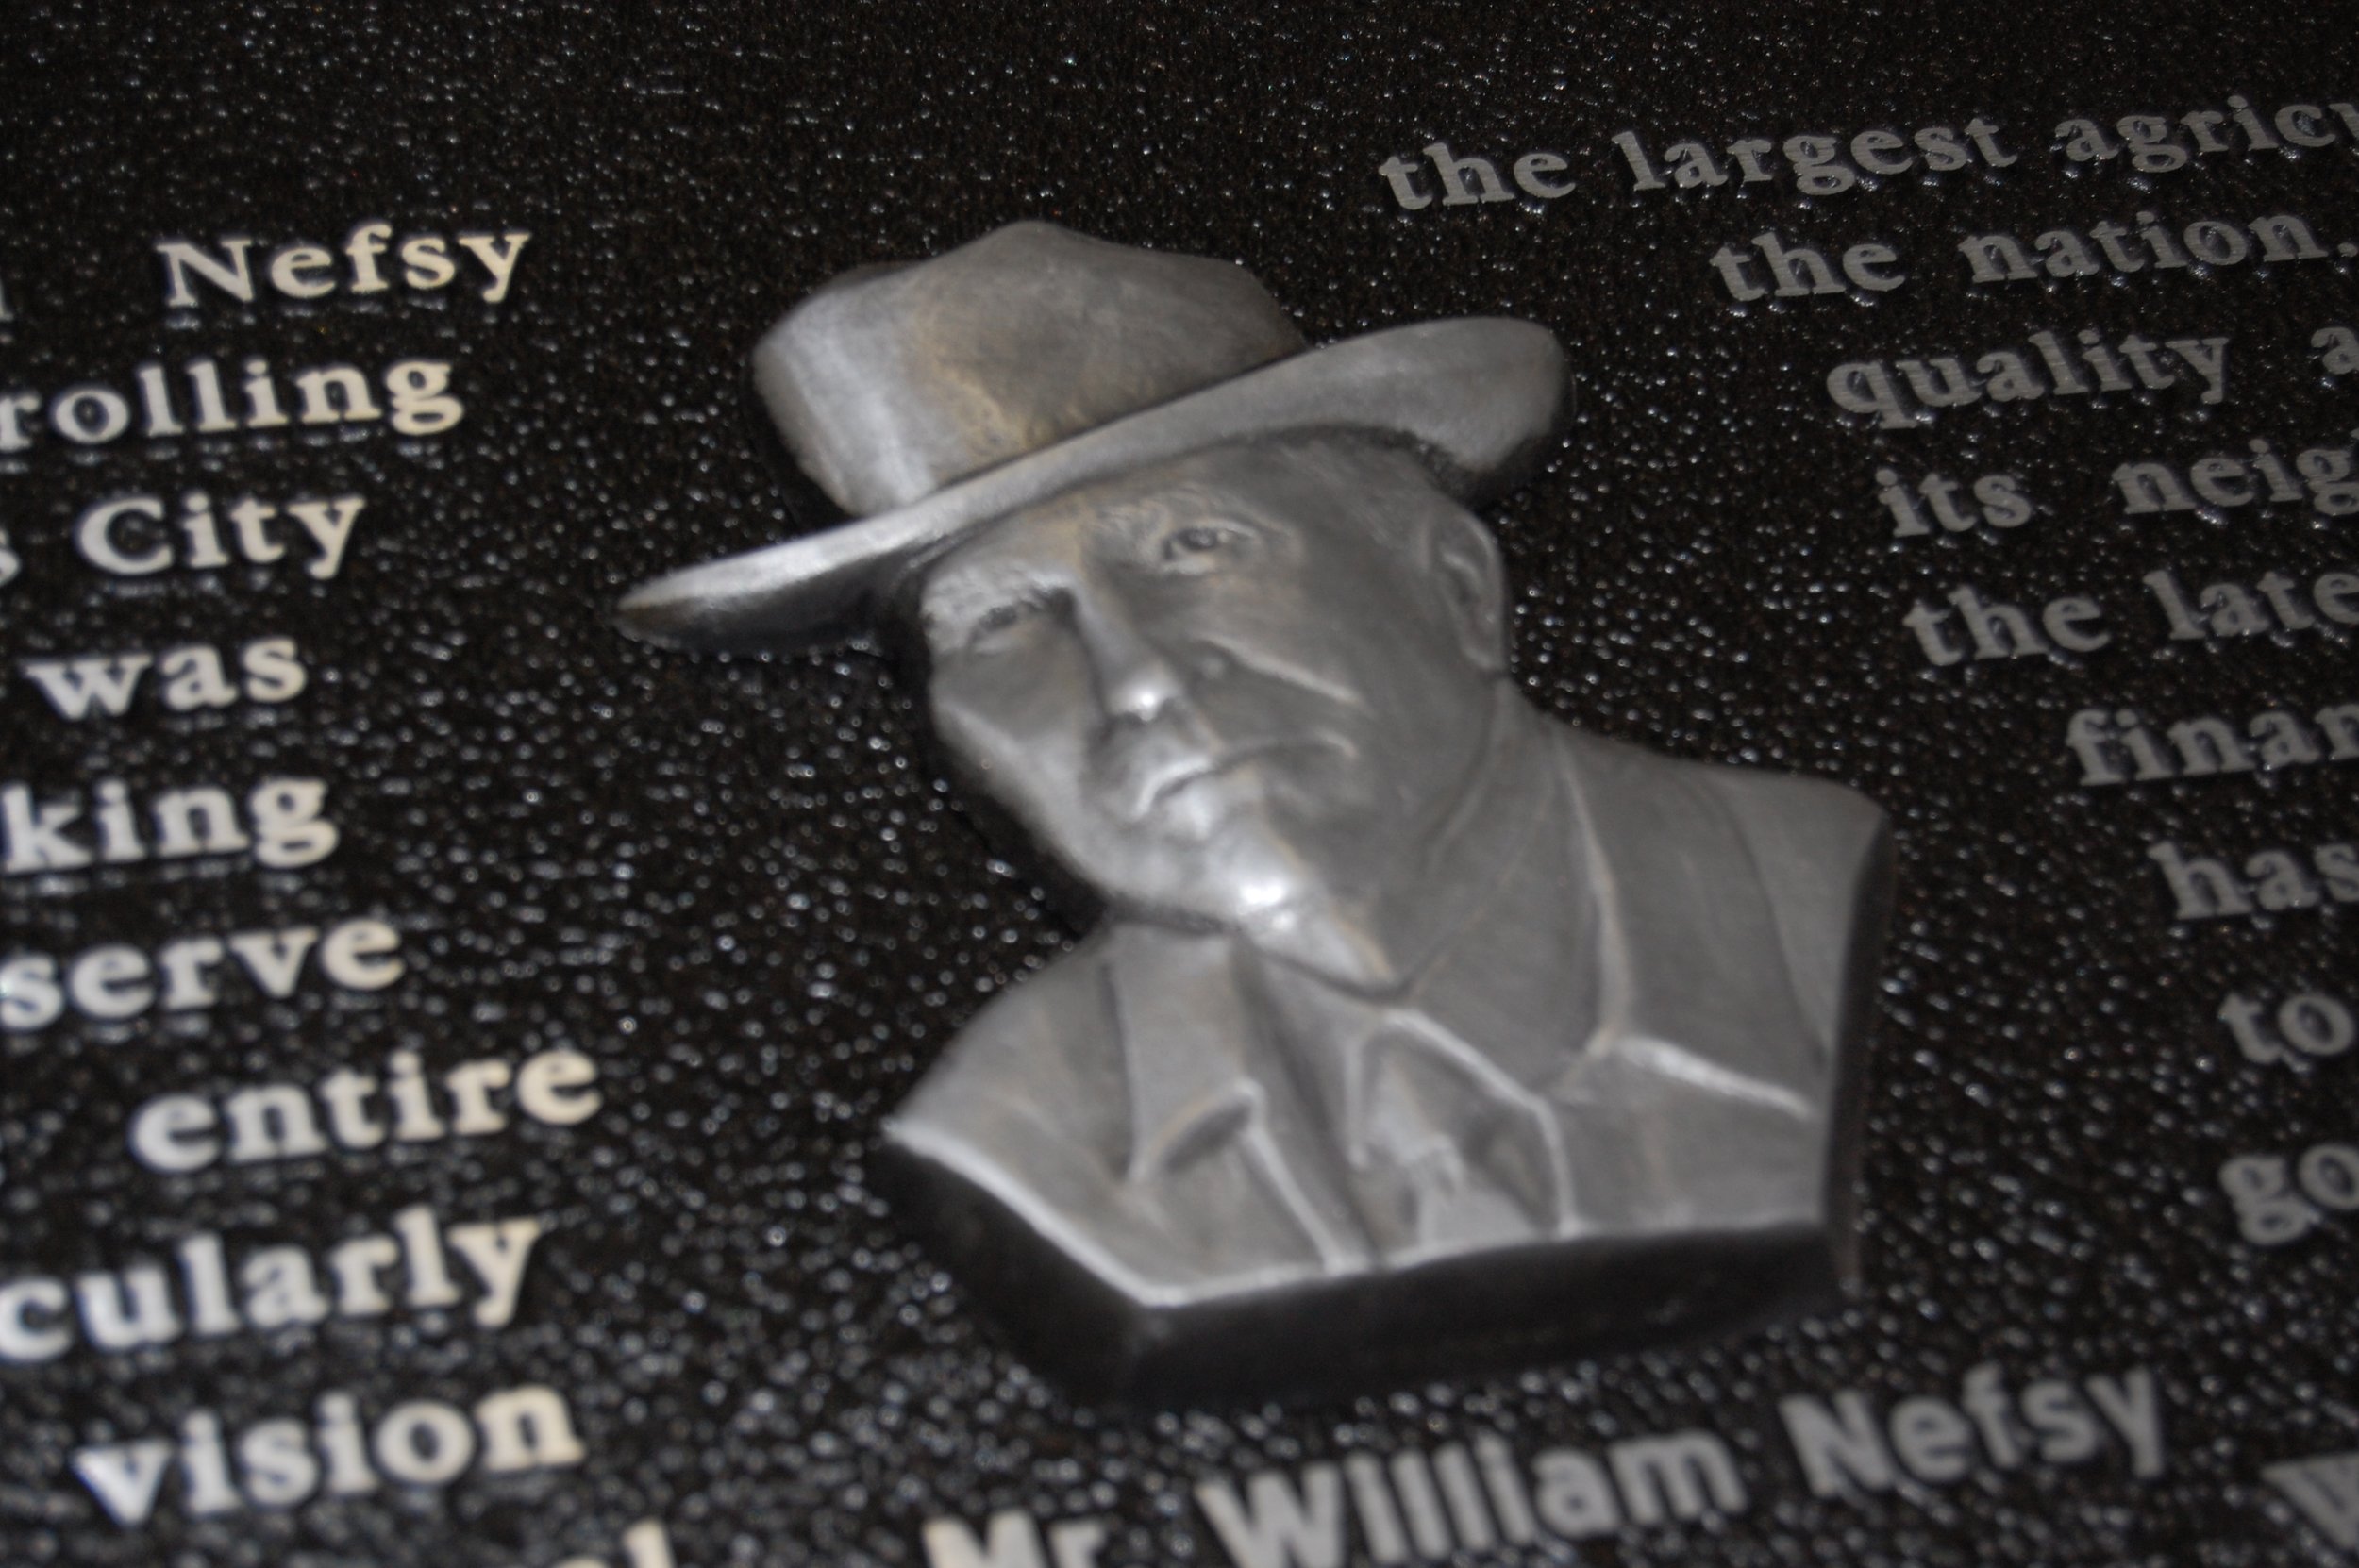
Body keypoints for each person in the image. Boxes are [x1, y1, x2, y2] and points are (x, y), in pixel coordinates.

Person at [619, 223, 1891, 1400]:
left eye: (1196, 549)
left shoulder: (1792, 883)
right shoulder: (1019, 1128)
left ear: (1456, 585)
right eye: (1004, 622)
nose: (1143, 681)